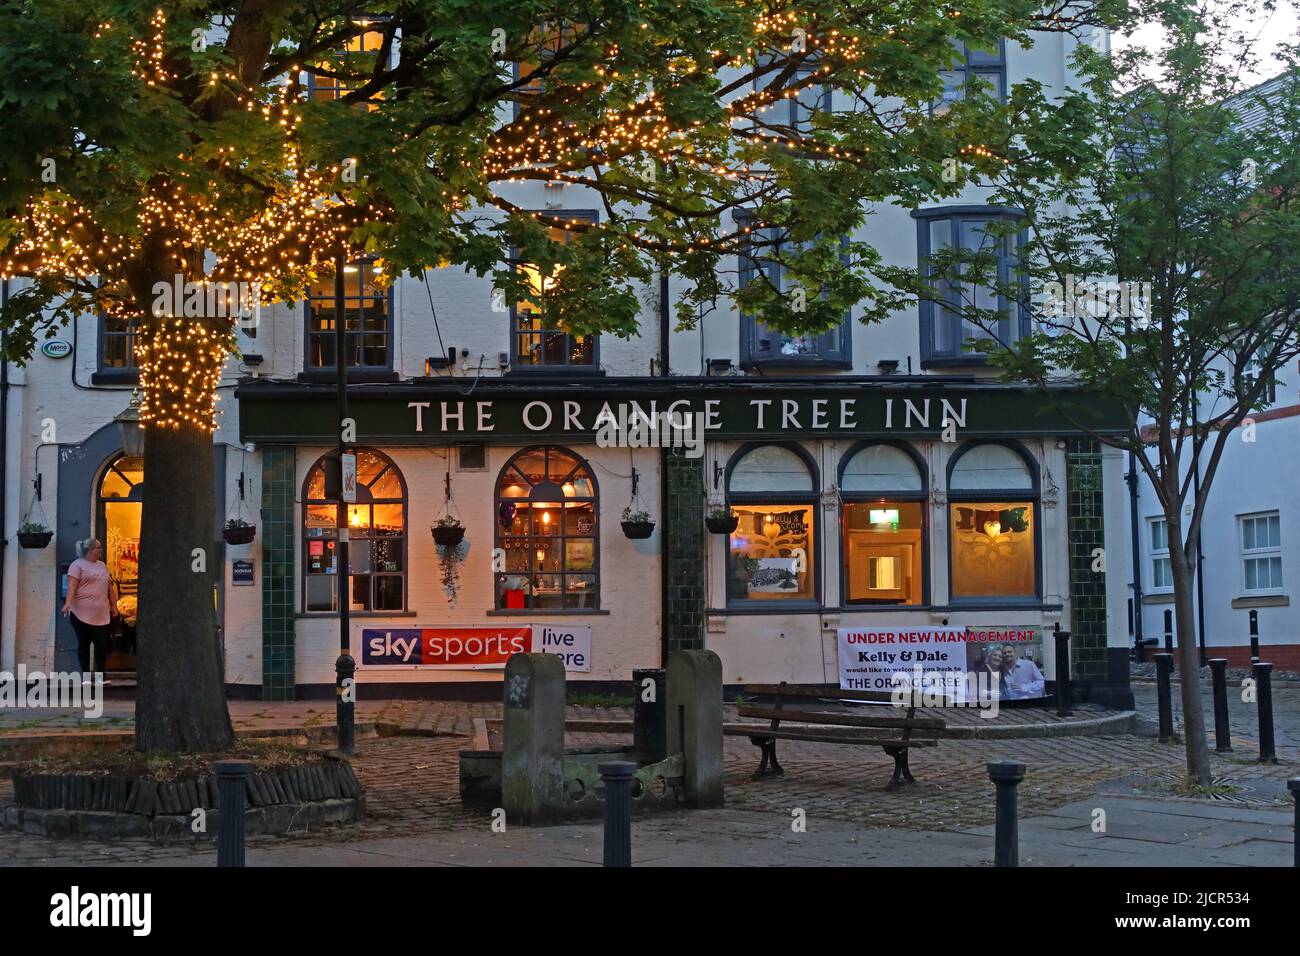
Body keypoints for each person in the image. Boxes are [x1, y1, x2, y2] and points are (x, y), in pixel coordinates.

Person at [61, 538, 118, 683]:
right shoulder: (77, 565)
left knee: (101, 643)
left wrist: (114, 605)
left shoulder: (102, 565)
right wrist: (68, 603)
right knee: (84, 643)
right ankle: (86, 676)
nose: (101, 550)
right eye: (98, 548)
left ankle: (100, 676)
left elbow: (109, 587)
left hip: (101, 614)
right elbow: (72, 586)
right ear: (90, 550)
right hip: (80, 613)